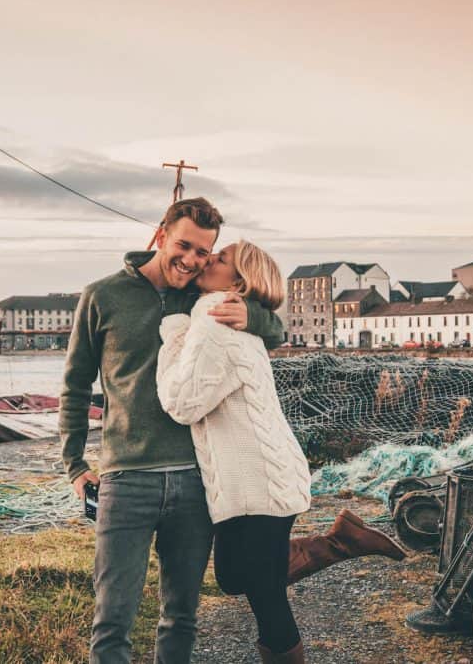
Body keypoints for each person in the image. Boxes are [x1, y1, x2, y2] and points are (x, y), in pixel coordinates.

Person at [156, 240, 406, 664]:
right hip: (255, 480)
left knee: (266, 597)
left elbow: (182, 405)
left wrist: (172, 335)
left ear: (238, 281)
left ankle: (340, 545)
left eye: (220, 259)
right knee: (236, 578)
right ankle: (339, 542)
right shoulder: (227, 318)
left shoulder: (216, 321)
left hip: (261, 483)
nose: (208, 259)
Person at [60, 198, 285, 664]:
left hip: (196, 477)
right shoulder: (101, 296)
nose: (192, 259)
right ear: (160, 236)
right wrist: (74, 464)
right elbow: (75, 386)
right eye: (184, 245)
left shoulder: (202, 296)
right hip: (126, 478)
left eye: (205, 251)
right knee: (112, 620)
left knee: (181, 616)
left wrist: (256, 318)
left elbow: (274, 325)